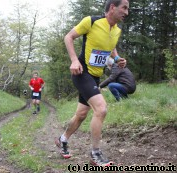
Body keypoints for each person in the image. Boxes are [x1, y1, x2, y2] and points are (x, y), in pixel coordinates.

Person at [55, 0, 129, 166]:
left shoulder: (117, 30)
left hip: (95, 76)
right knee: (101, 109)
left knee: (81, 114)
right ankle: (95, 154)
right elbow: (68, 37)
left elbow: (110, 46)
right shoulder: (92, 21)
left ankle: (63, 139)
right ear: (112, 7)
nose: (127, 12)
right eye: (124, 8)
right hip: (81, 72)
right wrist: (74, 60)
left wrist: (117, 59)